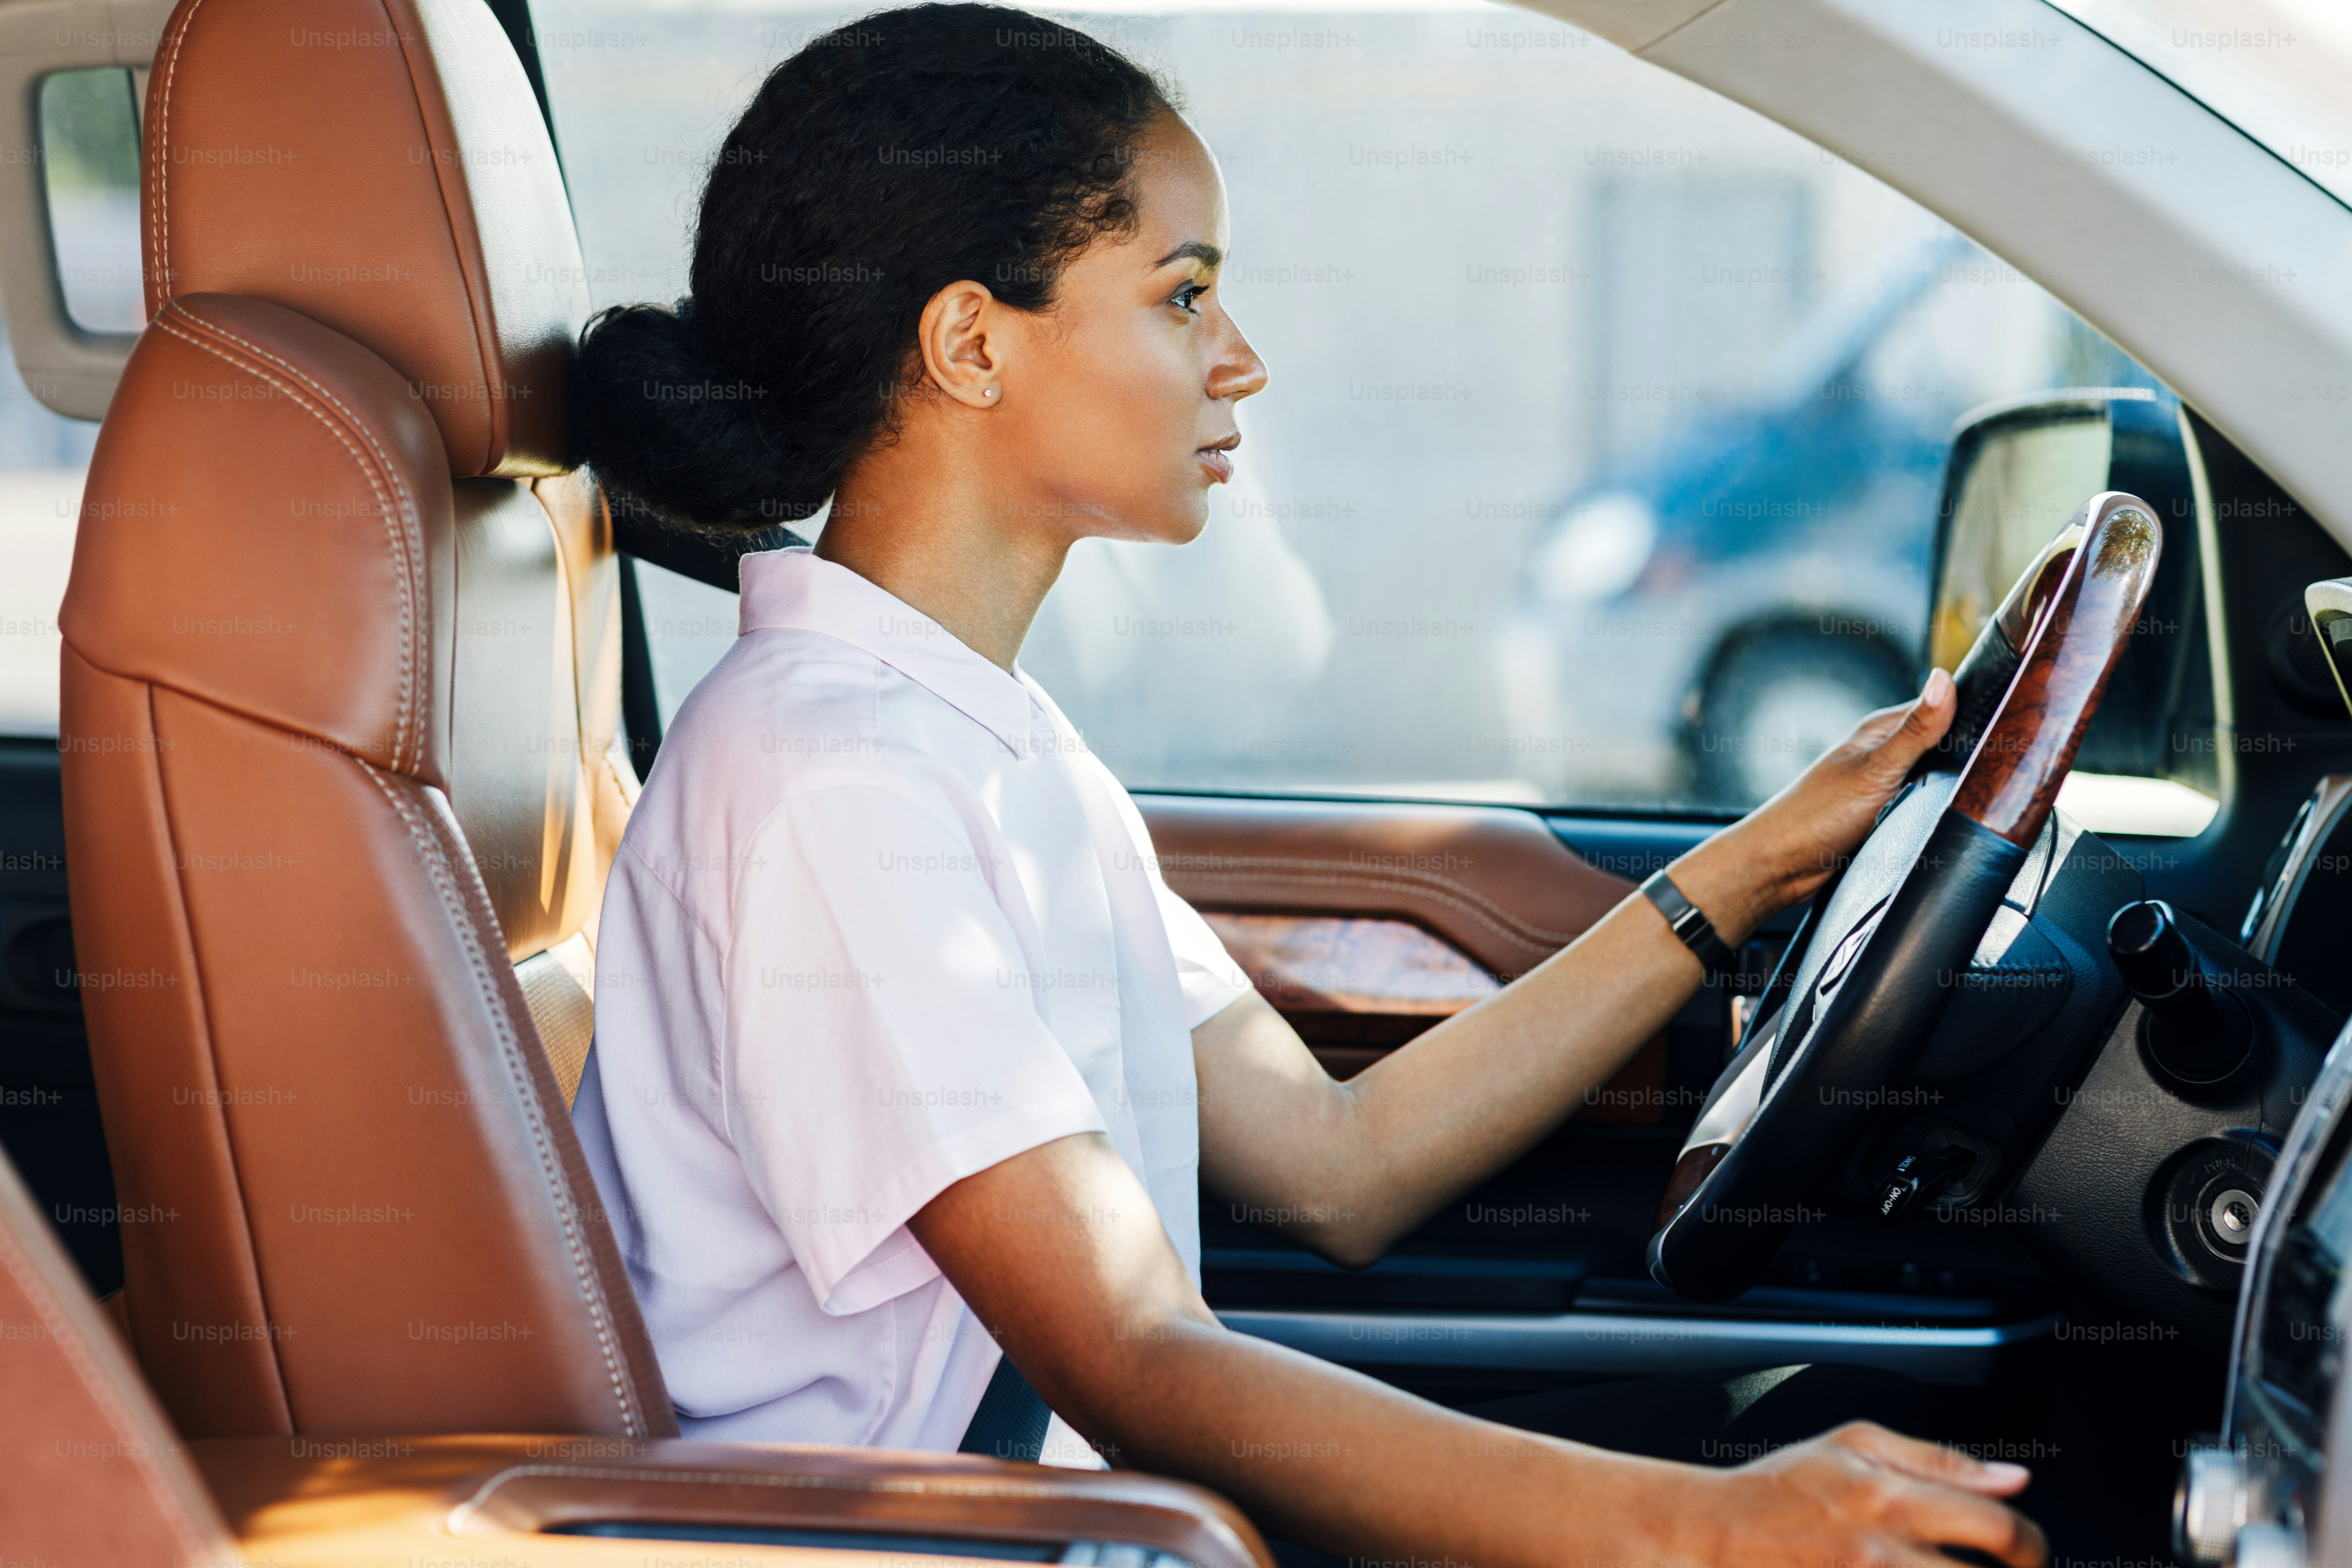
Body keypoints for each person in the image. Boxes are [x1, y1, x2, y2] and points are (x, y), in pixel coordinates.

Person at [566, 8, 2037, 1568]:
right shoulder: (828, 778)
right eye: (1183, 293)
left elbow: (1343, 1164)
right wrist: (1713, 1532)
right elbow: (1129, 1356)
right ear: (971, 343)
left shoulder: (991, 744)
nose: (1241, 358)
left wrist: (1746, 869)